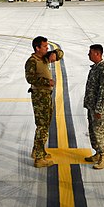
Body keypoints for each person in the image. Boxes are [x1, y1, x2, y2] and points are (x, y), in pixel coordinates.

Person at [25, 36, 63, 167]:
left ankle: (37, 151)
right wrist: (48, 82)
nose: (47, 48)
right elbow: (30, 78)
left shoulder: (44, 57)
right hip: (40, 96)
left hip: (46, 95)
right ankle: (39, 159)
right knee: (42, 126)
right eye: (45, 47)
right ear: (37, 48)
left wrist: (53, 54)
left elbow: (61, 54)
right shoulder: (32, 61)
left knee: (45, 124)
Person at [83, 44, 104, 169]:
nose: (88, 54)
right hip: (92, 106)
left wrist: (99, 109)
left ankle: (103, 158)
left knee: (100, 132)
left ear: (97, 54)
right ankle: (97, 153)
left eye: (90, 52)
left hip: (99, 109)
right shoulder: (95, 68)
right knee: (93, 131)